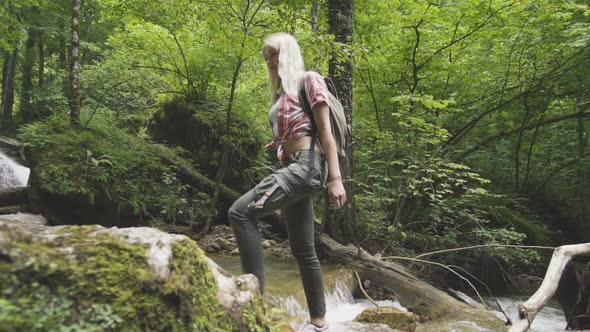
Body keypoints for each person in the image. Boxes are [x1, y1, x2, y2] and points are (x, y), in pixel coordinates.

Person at [228, 32, 346, 332]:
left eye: (274, 53)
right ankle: (319, 322)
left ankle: (254, 304)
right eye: (266, 55)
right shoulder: (280, 94)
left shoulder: (309, 80)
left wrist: (335, 178)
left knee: (241, 213)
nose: (269, 59)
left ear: (288, 53)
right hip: (294, 168)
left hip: (307, 166)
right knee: (303, 248)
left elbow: (326, 132)